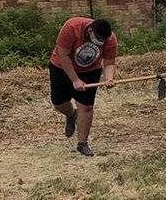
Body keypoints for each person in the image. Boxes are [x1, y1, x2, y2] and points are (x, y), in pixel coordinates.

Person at [49, 17, 118, 157]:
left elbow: (109, 62)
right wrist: (75, 80)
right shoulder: (72, 27)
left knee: (86, 107)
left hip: (90, 71)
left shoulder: (110, 39)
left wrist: (109, 78)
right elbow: (64, 55)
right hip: (61, 67)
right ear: (90, 30)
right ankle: (71, 114)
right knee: (58, 103)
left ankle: (82, 144)